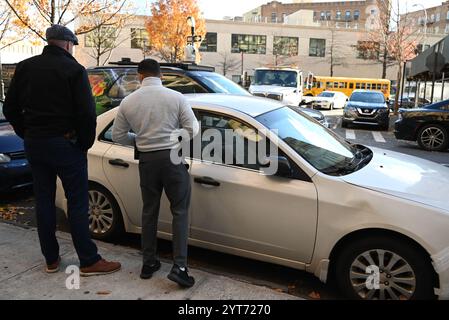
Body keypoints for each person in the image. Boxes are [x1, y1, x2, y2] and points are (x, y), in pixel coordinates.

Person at [3, 25, 121, 276]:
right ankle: (88, 260)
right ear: (68, 44)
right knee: (77, 203)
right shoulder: (73, 70)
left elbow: (10, 107)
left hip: (35, 144)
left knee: (43, 200)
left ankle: (51, 259)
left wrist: (27, 132)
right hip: (65, 144)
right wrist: (84, 143)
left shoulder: (24, 67)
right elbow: (87, 113)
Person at [112, 59, 199, 288]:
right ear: (161, 76)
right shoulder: (176, 98)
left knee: (149, 211)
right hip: (172, 158)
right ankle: (179, 267)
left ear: (140, 76)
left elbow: (118, 136)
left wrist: (140, 141)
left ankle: (148, 263)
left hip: (147, 161)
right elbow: (193, 128)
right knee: (180, 211)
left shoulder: (128, 102)